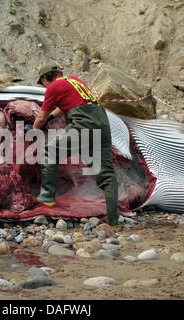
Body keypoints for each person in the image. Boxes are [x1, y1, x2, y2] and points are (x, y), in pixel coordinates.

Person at [33, 64, 122, 229]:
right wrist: (51, 117)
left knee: (48, 151)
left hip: (83, 124)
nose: (44, 86)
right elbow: (66, 105)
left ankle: (47, 198)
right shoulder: (74, 80)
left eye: (42, 82)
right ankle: (114, 223)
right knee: (107, 176)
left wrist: (33, 131)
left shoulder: (53, 86)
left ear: (45, 78)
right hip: (101, 123)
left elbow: (39, 118)